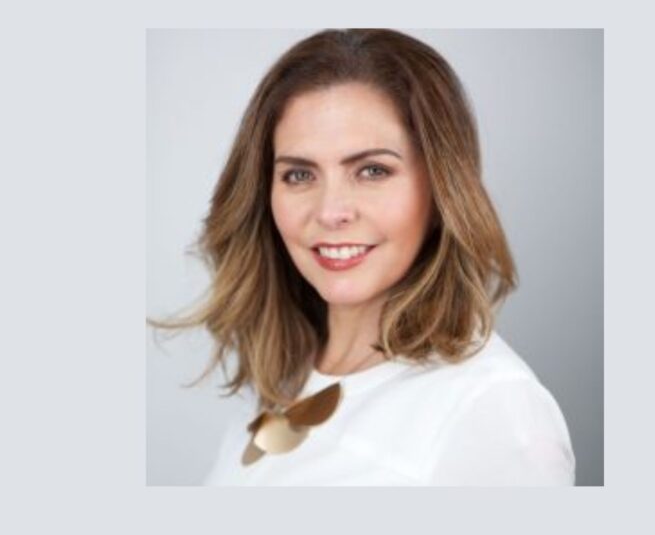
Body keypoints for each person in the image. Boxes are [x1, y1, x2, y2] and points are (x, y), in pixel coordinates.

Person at [149, 29, 575, 486]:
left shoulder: (494, 412)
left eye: (372, 171)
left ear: (442, 189)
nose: (330, 212)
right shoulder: (287, 373)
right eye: (299, 175)